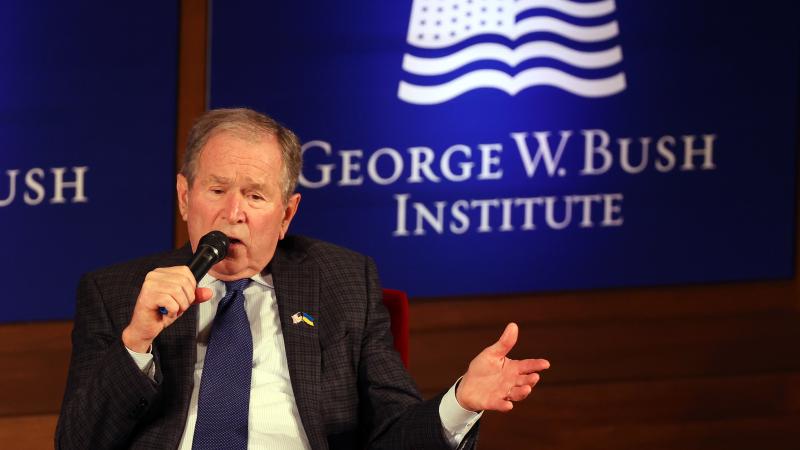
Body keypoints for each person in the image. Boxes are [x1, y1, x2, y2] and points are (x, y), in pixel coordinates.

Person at [55, 108, 550, 449]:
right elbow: (77, 443)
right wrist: (136, 342)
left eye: (255, 196)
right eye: (217, 189)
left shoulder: (343, 282)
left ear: (287, 213)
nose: (233, 214)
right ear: (185, 196)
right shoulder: (118, 292)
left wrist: (459, 402)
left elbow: (393, 432)